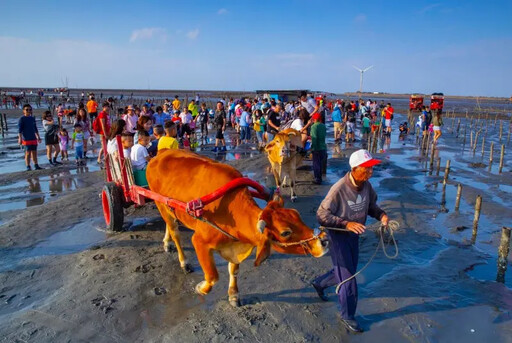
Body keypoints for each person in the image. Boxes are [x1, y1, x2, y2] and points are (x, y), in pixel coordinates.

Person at [311, 149, 389, 333]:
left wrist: (382, 216)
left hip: (354, 234)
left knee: (348, 271)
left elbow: (371, 207)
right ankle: (348, 315)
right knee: (348, 278)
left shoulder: (367, 186)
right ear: (354, 169)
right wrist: (346, 224)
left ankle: (319, 283)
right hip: (338, 235)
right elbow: (321, 215)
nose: (370, 172)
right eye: (366, 168)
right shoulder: (338, 189)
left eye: (371, 168)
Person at [18, 104, 43, 170]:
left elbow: (35, 128)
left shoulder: (32, 118)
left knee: (34, 152)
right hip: (26, 138)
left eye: (30, 109)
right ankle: (28, 166)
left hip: (33, 138)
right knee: (28, 153)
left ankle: (36, 165)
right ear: (24, 111)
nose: (28, 111)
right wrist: (20, 138)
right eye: (27, 110)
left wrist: (38, 137)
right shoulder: (22, 119)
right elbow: (20, 130)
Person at [311, 113, 327, 184]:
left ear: (314, 119)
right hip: (323, 147)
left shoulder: (314, 126)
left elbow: (314, 138)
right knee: (320, 163)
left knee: (316, 164)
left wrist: (313, 148)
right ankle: (319, 178)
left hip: (317, 148)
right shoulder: (323, 126)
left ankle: (317, 179)